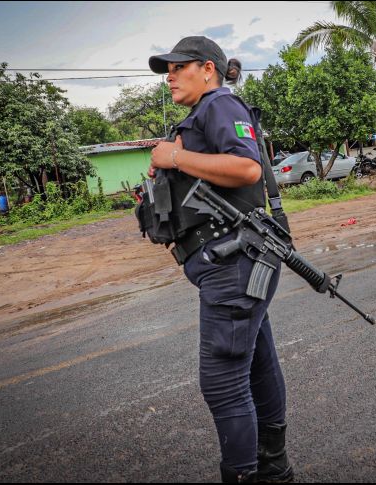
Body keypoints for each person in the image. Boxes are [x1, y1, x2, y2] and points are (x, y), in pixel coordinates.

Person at [147, 37, 294, 483]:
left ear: (207, 68)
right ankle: (274, 468)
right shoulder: (202, 115)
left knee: (223, 383)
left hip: (233, 265)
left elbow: (247, 167)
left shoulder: (219, 105)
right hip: (235, 264)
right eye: (165, 70)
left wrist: (174, 155)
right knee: (258, 364)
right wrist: (171, 162)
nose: (168, 76)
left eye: (177, 67)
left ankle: (247, 473)